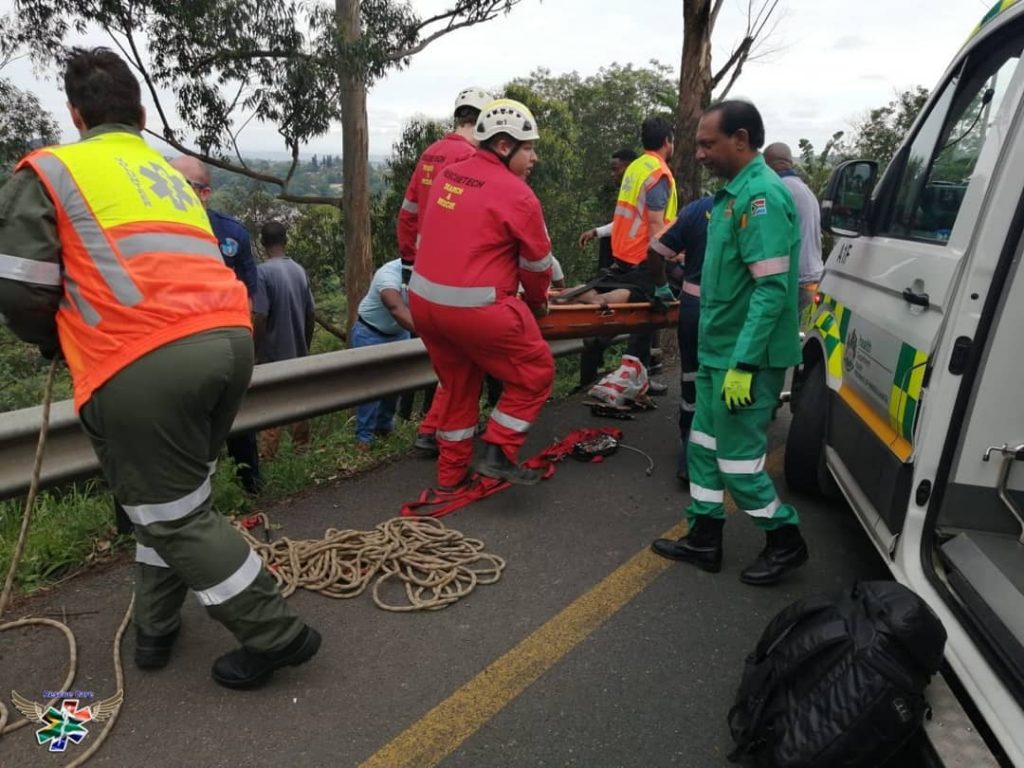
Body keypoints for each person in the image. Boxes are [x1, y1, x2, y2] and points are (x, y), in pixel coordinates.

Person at [0, 47, 319, 687]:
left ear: (74, 112)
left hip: (145, 355)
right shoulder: (167, 172)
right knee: (171, 501)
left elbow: (20, 288)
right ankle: (156, 628)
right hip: (228, 343)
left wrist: (52, 340)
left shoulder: (53, 169)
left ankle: (275, 632)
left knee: (172, 516)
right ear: (140, 113)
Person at [651, 100, 807, 586]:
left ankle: (785, 541)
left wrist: (744, 362)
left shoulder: (762, 199)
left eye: (706, 143)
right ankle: (705, 537)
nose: (698, 153)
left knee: (738, 463)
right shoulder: (731, 199)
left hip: (746, 360)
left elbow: (771, 290)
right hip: (720, 354)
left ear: (740, 140)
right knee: (702, 447)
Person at [409, 98, 554, 490]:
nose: (534, 158)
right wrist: (538, 305)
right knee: (536, 372)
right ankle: (497, 451)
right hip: (477, 310)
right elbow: (538, 267)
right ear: (505, 146)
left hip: (424, 305)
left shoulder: (449, 175)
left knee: (458, 386)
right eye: (529, 148)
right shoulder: (519, 195)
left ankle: (450, 477)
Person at [395, 86, 492, 458]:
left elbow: (407, 213)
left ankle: (432, 428)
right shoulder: (472, 159)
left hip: (422, 276)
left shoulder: (430, 153)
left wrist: (409, 264)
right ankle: (443, 437)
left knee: (450, 361)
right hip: (456, 275)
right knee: (463, 362)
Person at [170, 154, 263, 493]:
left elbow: (247, 298)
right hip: (174, 354)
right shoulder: (150, 233)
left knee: (239, 429)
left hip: (225, 350)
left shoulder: (230, 233)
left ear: (204, 193)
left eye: (180, 185)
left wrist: (244, 354)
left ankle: (250, 491)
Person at [646, 195, 714, 482]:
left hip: (694, 308)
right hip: (736, 313)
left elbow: (655, 249)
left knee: (691, 382)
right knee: (724, 384)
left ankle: (689, 456)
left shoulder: (698, 209)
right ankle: (715, 461)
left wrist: (662, 287)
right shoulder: (761, 206)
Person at [252, 220, 315, 458]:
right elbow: (311, 314)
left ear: (263, 243)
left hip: (272, 357)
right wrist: (304, 346)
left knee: (271, 412)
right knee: (300, 410)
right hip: (297, 355)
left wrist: (255, 353)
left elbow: (260, 316)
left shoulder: (262, 272)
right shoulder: (299, 270)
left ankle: (268, 462)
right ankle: (303, 456)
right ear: (285, 241)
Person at [351, 258, 414, 450]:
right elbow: (396, 308)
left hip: (399, 333)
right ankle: (364, 437)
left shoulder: (428, 270)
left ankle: (384, 427)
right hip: (370, 333)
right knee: (371, 387)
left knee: (395, 385)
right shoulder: (388, 275)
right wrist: (431, 335)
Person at [764, 142, 824, 329]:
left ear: (768, 164)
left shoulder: (776, 190)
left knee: (779, 343)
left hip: (793, 282)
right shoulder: (805, 190)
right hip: (813, 278)